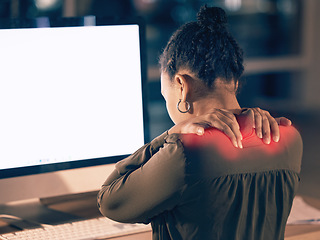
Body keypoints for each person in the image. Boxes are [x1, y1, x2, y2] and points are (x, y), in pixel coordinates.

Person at [98, 6, 302, 240]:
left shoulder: (185, 152)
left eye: (167, 93)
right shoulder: (288, 138)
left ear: (182, 86)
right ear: (234, 82)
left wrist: (170, 135)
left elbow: (109, 201)